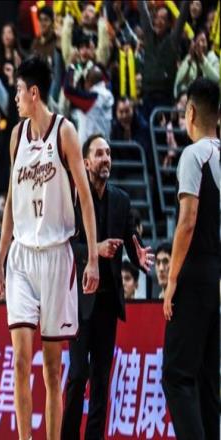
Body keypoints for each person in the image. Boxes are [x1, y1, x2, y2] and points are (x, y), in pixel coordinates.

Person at [0, 55, 100, 440]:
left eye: (19, 91)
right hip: (22, 257)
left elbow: (85, 199)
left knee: (52, 370)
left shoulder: (65, 132)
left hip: (57, 255)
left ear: (34, 93)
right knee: (20, 362)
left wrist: (92, 259)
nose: (15, 98)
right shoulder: (16, 136)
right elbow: (11, 201)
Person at [61, 134, 153, 439]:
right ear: (86, 162)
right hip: (79, 301)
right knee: (78, 375)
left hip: (108, 303)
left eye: (109, 153)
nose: (106, 159)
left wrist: (139, 257)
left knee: (101, 380)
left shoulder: (122, 200)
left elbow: (131, 242)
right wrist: (95, 249)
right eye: (99, 154)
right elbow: (63, 247)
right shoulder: (73, 198)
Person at [162, 77, 220, 440]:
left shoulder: (194, 154)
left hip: (195, 271)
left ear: (191, 113)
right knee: (207, 379)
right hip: (215, 274)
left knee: (176, 376)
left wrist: (171, 281)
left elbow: (187, 221)